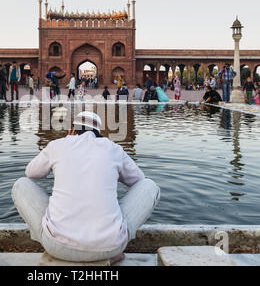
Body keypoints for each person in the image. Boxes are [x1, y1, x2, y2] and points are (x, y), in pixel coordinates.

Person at [12, 111, 160, 263]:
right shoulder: (113, 149)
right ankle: (108, 250)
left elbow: (30, 173)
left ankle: (56, 238)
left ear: (73, 130)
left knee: (21, 184)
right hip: (111, 247)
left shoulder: (58, 145)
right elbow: (139, 180)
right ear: (99, 132)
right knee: (149, 186)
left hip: (56, 246)